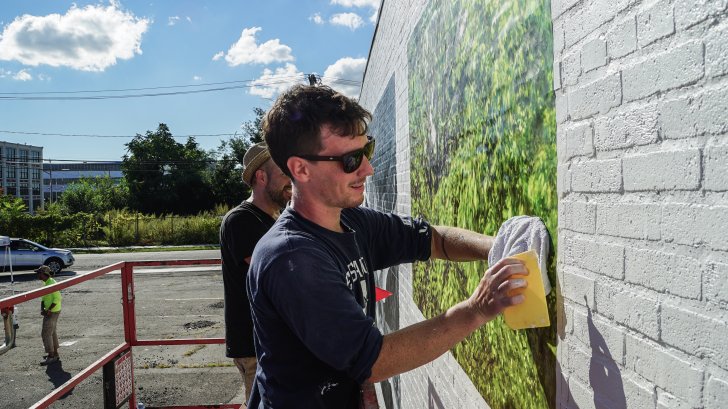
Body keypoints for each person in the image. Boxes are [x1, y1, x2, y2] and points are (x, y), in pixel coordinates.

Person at [246, 85, 528, 408]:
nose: (368, 168)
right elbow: (375, 361)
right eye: (351, 159)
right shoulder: (292, 258)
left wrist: (499, 247)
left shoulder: (351, 220)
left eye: (367, 150)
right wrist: (476, 309)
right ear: (301, 169)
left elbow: (432, 239)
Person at [220, 142, 292, 403]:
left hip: (271, 342)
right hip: (255, 346)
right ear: (261, 177)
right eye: (283, 173)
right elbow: (278, 274)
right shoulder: (241, 220)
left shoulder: (275, 218)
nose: (291, 179)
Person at [36, 265, 61, 366]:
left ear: (44, 274)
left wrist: (49, 309)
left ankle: (51, 356)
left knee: (46, 333)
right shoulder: (46, 283)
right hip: (51, 311)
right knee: (52, 333)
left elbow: (57, 298)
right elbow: (43, 298)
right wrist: (42, 309)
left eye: (39, 273)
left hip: (52, 312)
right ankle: (55, 354)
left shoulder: (52, 284)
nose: (38, 275)